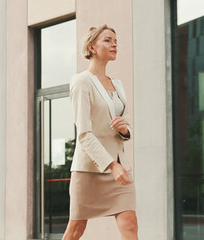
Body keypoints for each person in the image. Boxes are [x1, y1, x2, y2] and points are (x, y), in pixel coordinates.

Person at [63, 24, 138, 240]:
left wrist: (125, 129)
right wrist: (111, 166)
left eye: (116, 40)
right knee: (76, 230)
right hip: (90, 170)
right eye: (107, 40)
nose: (114, 44)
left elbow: (125, 125)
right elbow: (84, 134)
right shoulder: (81, 82)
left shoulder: (118, 85)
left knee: (130, 226)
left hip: (120, 167)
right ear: (92, 47)